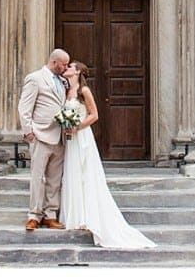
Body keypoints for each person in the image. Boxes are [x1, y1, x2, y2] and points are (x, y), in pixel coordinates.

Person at [60, 61, 155, 249]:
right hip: (70, 138)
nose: (67, 69)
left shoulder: (84, 92)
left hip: (82, 136)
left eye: (70, 67)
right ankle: (74, 215)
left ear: (77, 71)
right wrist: (66, 125)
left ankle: (87, 216)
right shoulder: (65, 91)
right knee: (71, 173)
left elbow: (94, 115)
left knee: (85, 172)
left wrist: (77, 127)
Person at [17, 48, 71, 231]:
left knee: (54, 180)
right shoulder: (35, 78)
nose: (66, 67)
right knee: (37, 177)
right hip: (40, 135)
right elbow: (24, 107)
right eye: (64, 64)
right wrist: (28, 132)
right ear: (54, 62)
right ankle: (34, 214)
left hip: (59, 137)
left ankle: (50, 214)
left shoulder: (64, 82)